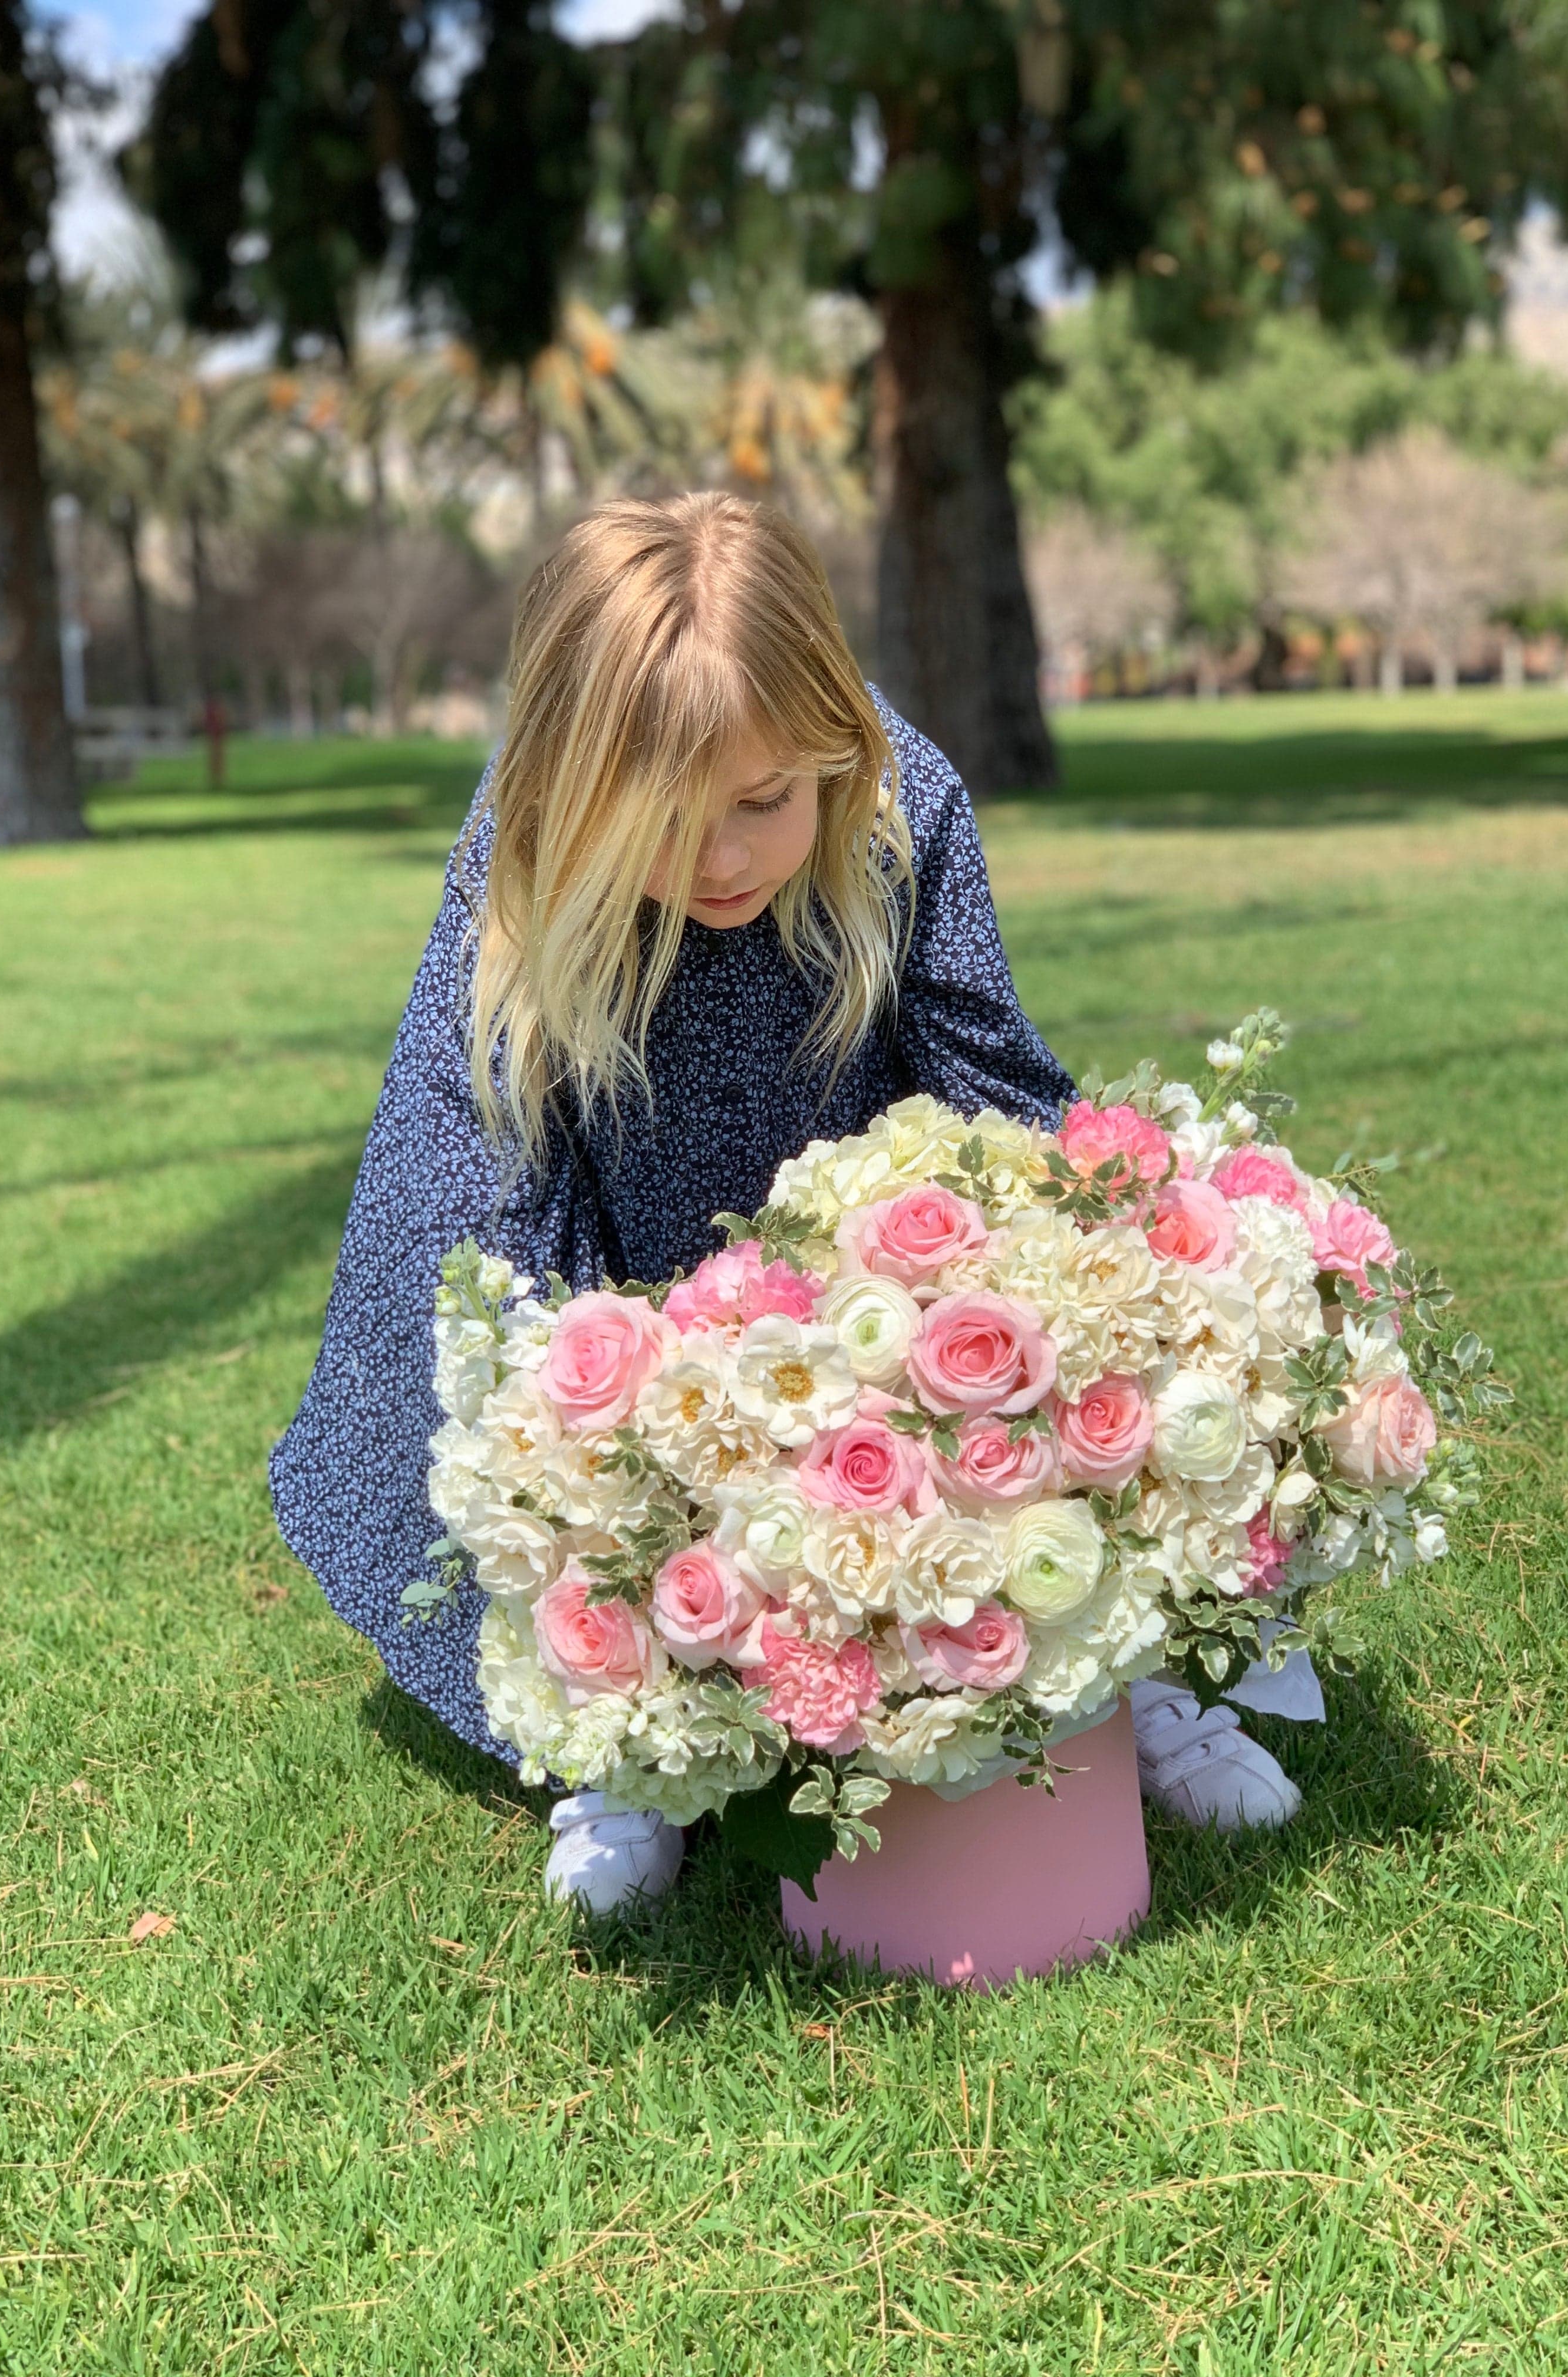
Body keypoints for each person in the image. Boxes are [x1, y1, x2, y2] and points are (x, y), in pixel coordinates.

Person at [270, 492, 1311, 1914]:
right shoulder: (524, 838)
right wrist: (571, 1418)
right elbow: (485, 1162)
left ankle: (1131, 1677)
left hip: (868, 1273)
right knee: (506, 1354)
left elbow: (985, 1072)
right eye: (667, 820)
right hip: (623, 1265)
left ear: (834, 746)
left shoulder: (905, 807)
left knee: (1045, 1357)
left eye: (766, 801)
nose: (722, 861)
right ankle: (620, 1727)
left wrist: (1095, 1262)